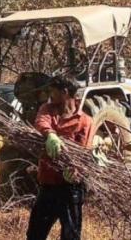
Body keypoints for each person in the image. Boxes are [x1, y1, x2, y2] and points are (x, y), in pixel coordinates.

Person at [26, 76, 93, 240]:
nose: (49, 95)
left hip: (71, 189)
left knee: (70, 236)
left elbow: (85, 154)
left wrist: (76, 170)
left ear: (64, 92)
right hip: (48, 186)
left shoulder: (84, 121)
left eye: (52, 91)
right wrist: (50, 135)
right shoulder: (47, 109)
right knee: (35, 234)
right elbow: (41, 121)